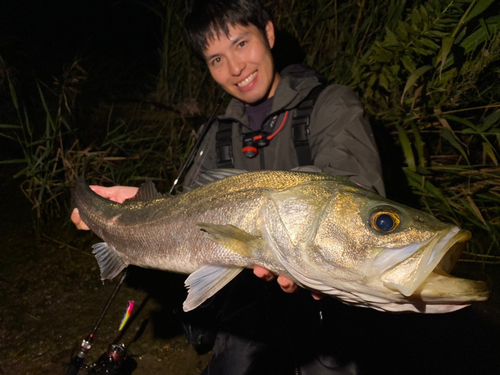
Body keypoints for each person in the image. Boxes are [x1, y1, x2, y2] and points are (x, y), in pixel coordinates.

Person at [72, 0, 385, 373]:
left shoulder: (332, 105)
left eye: (240, 43)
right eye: (216, 59)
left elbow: (355, 192)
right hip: (246, 309)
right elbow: (188, 212)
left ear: (268, 33)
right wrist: (136, 211)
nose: (235, 69)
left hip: (325, 308)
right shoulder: (216, 133)